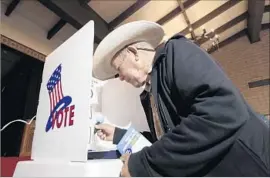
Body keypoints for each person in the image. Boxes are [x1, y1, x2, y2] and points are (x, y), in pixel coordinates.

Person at [92, 21, 269, 177]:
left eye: (118, 70)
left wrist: (141, 164)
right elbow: (170, 139)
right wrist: (119, 135)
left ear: (133, 53)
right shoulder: (149, 94)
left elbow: (222, 112)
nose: (120, 78)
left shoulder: (176, 52)